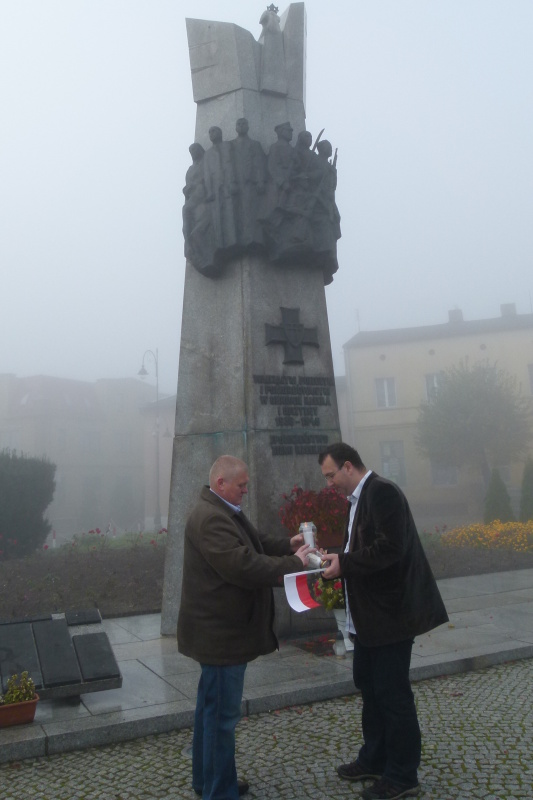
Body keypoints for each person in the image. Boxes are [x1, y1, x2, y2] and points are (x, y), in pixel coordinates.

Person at [317, 442, 448, 800]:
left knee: (393, 696)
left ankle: (403, 775)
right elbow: (361, 547)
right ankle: (374, 758)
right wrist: (337, 557)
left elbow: (391, 549)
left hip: (391, 617)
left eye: (331, 476)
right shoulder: (359, 499)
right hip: (368, 619)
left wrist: (344, 563)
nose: (330, 484)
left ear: (348, 466)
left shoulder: (383, 493)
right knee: (370, 688)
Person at [177, 455, 311, 800]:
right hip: (222, 636)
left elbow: (253, 542)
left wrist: (288, 545)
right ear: (221, 483)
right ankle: (218, 792)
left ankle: (207, 781)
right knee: (221, 718)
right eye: (241, 485)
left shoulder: (219, 510)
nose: (246, 490)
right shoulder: (210, 518)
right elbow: (243, 565)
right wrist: (293, 565)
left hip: (220, 633)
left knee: (211, 711)